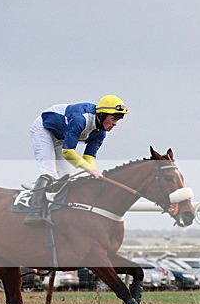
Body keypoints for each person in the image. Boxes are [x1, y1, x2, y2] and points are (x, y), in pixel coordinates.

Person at [25, 95, 128, 227]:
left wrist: (93, 172)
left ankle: (55, 211)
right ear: (102, 115)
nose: (115, 124)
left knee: (66, 177)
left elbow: (89, 158)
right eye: (114, 119)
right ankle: (34, 212)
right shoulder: (80, 120)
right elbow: (68, 152)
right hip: (44, 129)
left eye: (118, 120)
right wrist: (91, 170)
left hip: (61, 136)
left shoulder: (100, 133)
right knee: (49, 172)